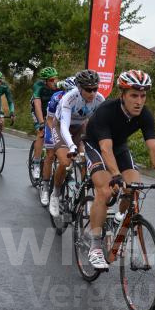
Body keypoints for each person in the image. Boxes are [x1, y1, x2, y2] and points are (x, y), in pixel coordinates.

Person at [82, 69, 155, 270]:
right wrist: (116, 176)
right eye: (134, 95)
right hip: (96, 145)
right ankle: (95, 246)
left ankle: (119, 222)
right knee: (105, 190)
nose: (139, 101)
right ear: (122, 95)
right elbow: (105, 148)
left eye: (143, 96)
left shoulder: (145, 114)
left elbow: (153, 146)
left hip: (119, 147)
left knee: (134, 187)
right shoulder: (106, 111)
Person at [48, 70, 105, 216]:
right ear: (79, 88)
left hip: (81, 127)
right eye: (88, 89)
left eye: (95, 89)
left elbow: (101, 125)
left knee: (88, 160)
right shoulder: (69, 98)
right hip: (61, 127)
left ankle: (83, 191)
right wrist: (72, 146)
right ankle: (55, 194)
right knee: (65, 161)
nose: (92, 93)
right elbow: (65, 127)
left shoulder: (100, 100)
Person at [39, 76, 75, 206]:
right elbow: (49, 119)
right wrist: (55, 136)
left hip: (71, 127)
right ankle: (45, 186)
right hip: (54, 124)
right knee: (50, 155)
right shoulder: (57, 97)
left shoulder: (80, 100)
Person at [30, 67, 59, 181]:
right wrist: (42, 122)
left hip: (52, 112)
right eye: (51, 80)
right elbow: (37, 105)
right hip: (39, 110)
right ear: (45, 81)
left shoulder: (59, 86)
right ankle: (36, 163)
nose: (55, 82)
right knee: (41, 132)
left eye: (56, 79)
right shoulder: (38, 86)